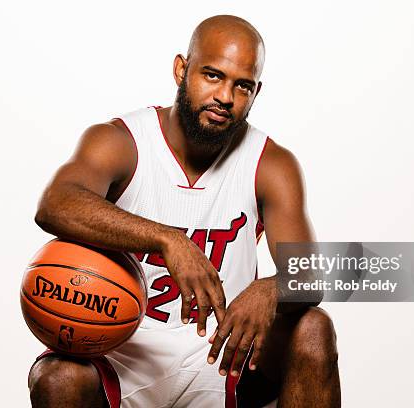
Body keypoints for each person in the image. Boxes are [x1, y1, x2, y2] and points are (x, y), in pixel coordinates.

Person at [29, 14, 340, 408]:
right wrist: (167, 238)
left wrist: (270, 289)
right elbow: (56, 203)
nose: (225, 96)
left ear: (255, 93)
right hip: (121, 348)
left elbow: (310, 276)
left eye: (241, 85)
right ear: (182, 69)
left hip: (222, 352)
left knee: (313, 328)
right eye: (212, 75)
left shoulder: (270, 163)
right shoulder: (122, 141)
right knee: (56, 378)